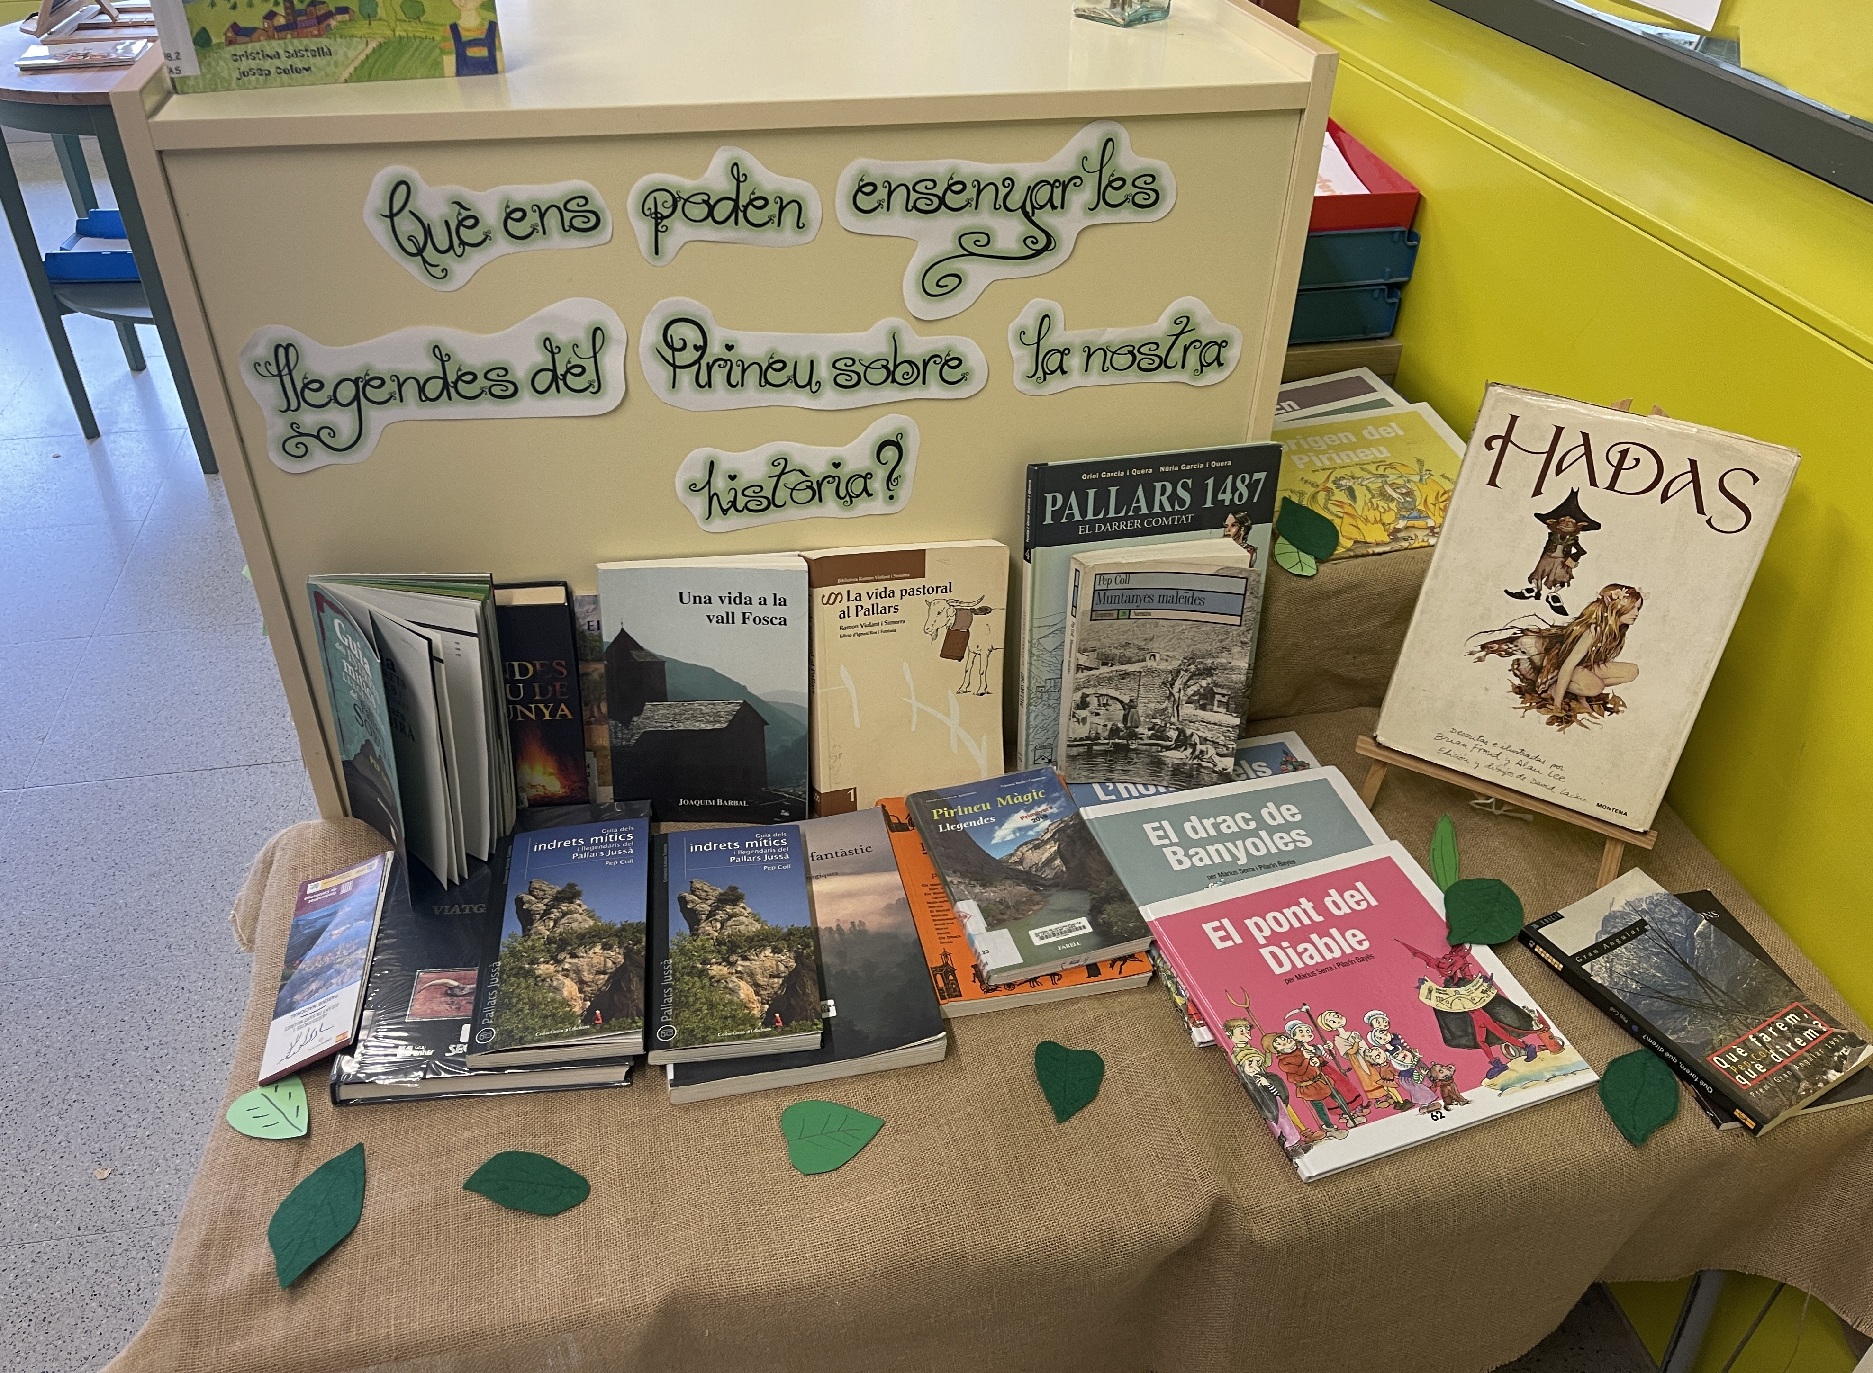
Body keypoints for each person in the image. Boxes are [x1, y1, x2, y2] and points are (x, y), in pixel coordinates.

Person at [1505, 488, 1601, 616]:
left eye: (1570, 522)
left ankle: (1554, 595)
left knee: (1560, 577)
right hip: (1548, 558)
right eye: (1562, 521)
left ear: (1578, 525)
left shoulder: (1573, 539)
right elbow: (1546, 547)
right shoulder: (1552, 536)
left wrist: (1572, 559)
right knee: (1538, 573)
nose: (1565, 524)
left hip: (1562, 561)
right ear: (1553, 523)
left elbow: (1581, 551)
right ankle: (1534, 590)